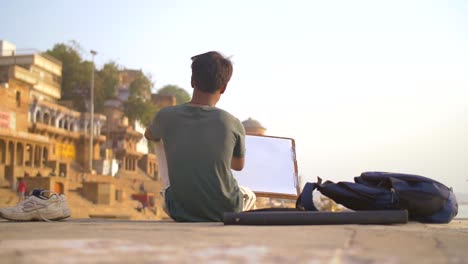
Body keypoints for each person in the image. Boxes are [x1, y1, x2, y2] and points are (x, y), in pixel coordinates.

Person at [145, 51, 256, 222]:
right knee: (250, 196)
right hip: (227, 210)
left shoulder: (166, 116)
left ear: (192, 81)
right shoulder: (233, 123)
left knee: (156, 134)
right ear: (224, 88)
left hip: (178, 208)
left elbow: (148, 135)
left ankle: (172, 189)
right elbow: (238, 166)